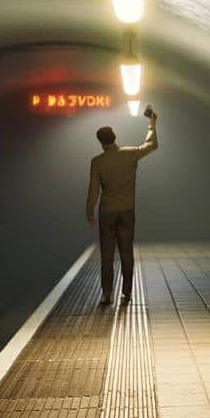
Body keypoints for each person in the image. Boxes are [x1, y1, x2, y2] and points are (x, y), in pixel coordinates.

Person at [86, 110, 158, 304]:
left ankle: (106, 293)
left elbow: (94, 190)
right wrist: (152, 124)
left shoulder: (97, 162)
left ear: (100, 141)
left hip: (107, 212)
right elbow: (152, 145)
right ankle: (126, 291)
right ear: (115, 137)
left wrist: (89, 211)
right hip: (127, 210)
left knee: (107, 254)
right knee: (126, 251)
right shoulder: (130, 154)